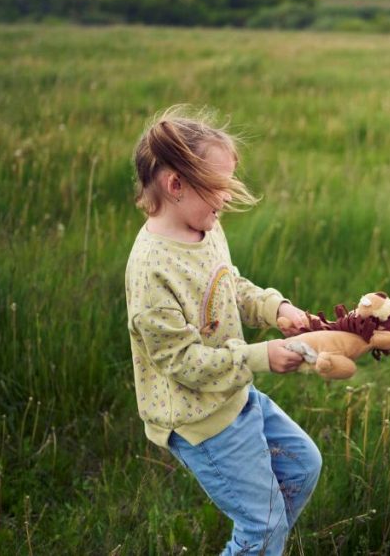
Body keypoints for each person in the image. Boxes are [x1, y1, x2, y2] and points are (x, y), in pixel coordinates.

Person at [124, 106, 322, 556]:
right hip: (200, 419)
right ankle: (261, 538)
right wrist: (262, 356)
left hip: (235, 394)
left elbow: (227, 285)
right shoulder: (152, 271)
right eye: (218, 188)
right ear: (176, 186)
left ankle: (264, 541)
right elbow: (184, 362)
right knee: (264, 521)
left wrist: (277, 309)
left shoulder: (204, 226)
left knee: (303, 467)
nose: (227, 199)